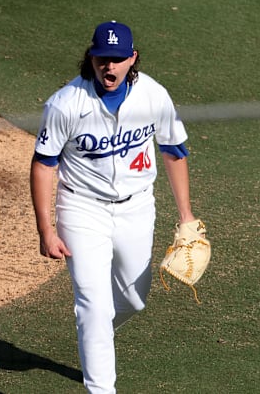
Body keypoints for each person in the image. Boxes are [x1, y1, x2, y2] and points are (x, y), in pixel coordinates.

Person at [29, 20, 198, 393]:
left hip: (137, 208)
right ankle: (101, 385)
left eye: (118, 59)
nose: (110, 67)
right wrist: (46, 229)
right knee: (91, 303)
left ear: (132, 58)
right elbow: (44, 163)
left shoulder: (153, 95)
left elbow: (174, 150)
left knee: (134, 301)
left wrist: (186, 216)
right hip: (81, 210)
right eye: (103, 58)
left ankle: (96, 339)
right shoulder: (65, 104)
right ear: (91, 58)